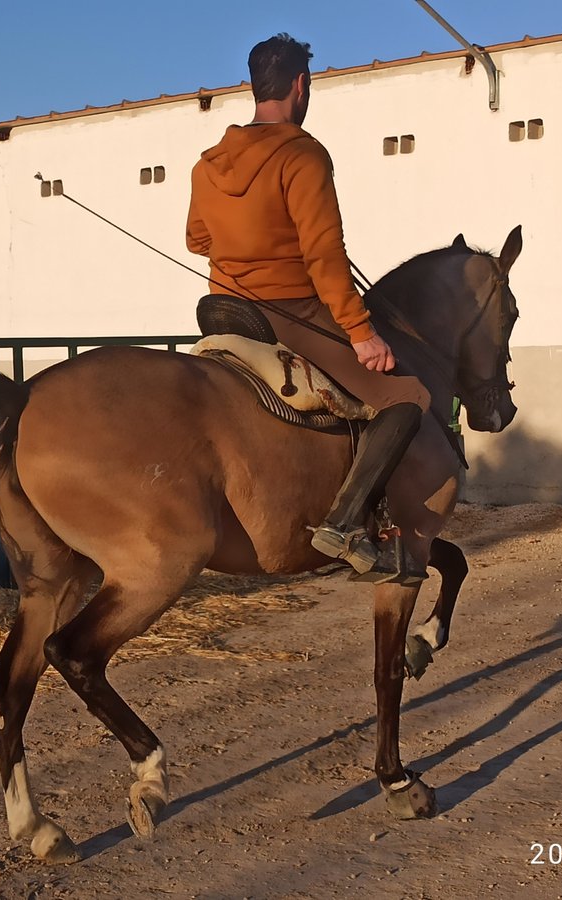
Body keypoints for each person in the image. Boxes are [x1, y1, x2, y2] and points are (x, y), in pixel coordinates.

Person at [185, 33, 431, 584]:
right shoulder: (303, 153)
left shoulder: (208, 165)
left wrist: (244, 243)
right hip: (290, 314)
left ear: (256, 86)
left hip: (223, 311)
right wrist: (362, 332)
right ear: (300, 85)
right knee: (407, 396)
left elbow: (197, 239)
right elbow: (324, 257)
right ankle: (343, 524)